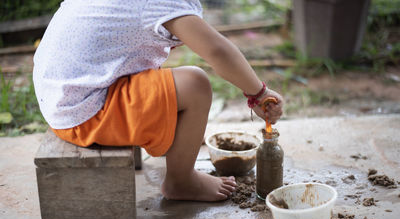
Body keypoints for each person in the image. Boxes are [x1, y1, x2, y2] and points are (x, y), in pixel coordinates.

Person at [33, 0, 283, 202]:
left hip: (65, 96)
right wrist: (258, 93)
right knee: (195, 85)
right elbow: (217, 51)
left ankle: (175, 151)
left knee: (169, 81)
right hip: (85, 112)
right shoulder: (159, 3)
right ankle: (181, 181)